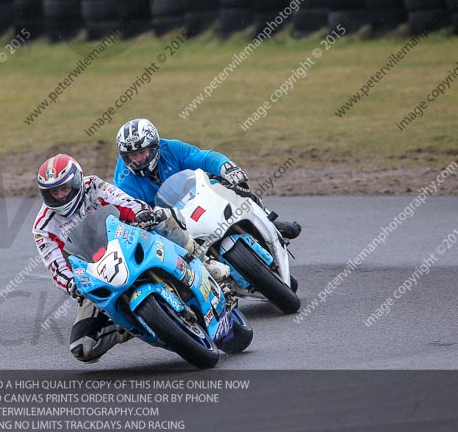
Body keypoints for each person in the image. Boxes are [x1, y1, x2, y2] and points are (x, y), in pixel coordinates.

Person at [32, 153, 226, 363]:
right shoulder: (44, 226)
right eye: (54, 192)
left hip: (125, 242)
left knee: (162, 219)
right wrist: (70, 283)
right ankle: (130, 325)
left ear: (77, 181)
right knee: (82, 347)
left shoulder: (93, 186)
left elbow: (121, 200)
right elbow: (56, 265)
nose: (60, 196)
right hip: (94, 274)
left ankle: (204, 261)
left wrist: (140, 212)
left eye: (64, 189)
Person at [113, 118, 302, 241]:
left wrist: (227, 167)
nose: (136, 159)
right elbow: (127, 207)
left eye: (141, 152)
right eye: (131, 155)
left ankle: (270, 223)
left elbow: (203, 158)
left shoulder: (171, 148)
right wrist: (142, 216)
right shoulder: (124, 180)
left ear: (155, 147)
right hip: (168, 222)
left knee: (233, 188)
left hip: (197, 195)